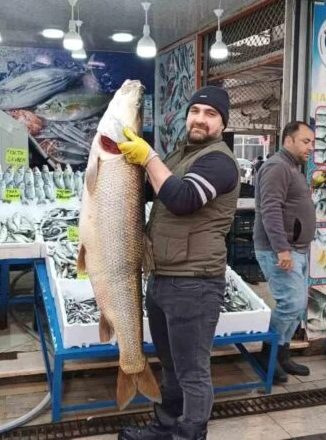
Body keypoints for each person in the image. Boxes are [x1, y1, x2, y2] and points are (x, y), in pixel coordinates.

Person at [116, 86, 240, 440]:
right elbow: (152, 190)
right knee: (169, 365)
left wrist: (148, 156)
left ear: (222, 123)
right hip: (163, 277)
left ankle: (190, 434)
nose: (200, 118)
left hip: (195, 282)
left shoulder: (219, 161)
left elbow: (184, 198)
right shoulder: (180, 154)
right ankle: (165, 426)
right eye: (196, 110)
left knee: (192, 371)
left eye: (210, 113)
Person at [252, 120, 316, 383]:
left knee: (298, 304)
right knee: (291, 303)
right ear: (288, 140)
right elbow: (270, 209)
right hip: (279, 250)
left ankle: (283, 353)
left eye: (312, 142)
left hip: (296, 249)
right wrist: (282, 250)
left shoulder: (293, 167)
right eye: (305, 141)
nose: (310, 147)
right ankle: (267, 355)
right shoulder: (277, 167)